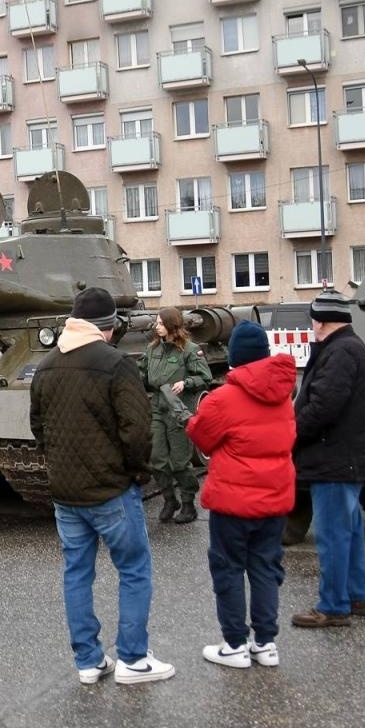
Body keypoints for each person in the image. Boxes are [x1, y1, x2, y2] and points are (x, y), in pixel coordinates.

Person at [29, 287, 173, 686]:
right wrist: (137, 472)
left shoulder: (47, 364)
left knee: (77, 573)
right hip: (111, 489)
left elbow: (38, 427)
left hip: (65, 493)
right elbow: (137, 428)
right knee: (134, 570)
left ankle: (89, 661)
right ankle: (133, 659)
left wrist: (60, 464)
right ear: (109, 326)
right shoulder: (116, 363)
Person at [186, 322, 297, 669]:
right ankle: (266, 643)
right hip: (274, 498)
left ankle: (235, 644)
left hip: (232, 502)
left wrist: (190, 421)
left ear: (234, 357)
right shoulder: (283, 396)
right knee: (265, 567)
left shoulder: (222, 399)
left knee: (229, 569)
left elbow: (203, 438)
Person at [290, 291, 365, 629]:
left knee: (333, 537)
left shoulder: (340, 351)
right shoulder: (348, 347)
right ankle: (359, 596)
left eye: (313, 319)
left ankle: (333, 606)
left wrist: (290, 433)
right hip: (345, 458)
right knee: (349, 534)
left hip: (333, 460)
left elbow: (323, 407)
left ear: (321, 321)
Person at [143, 306, 210, 525]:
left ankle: (188, 503)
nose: (157, 326)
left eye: (161, 323)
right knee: (157, 459)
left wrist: (186, 382)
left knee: (180, 461)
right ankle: (169, 499)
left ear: (172, 325)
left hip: (178, 409)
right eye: (156, 323)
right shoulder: (152, 350)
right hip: (157, 407)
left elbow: (205, 377)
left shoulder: (189, 350)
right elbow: (143, 374)